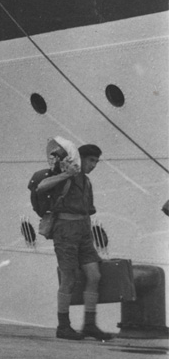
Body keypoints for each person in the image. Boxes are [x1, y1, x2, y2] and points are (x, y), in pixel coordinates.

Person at [37, 142, 113, 341]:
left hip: (83, 232)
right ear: (81, 159)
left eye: (96, 161)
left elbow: (88, 209)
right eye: (91, 160)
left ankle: (89, 325)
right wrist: (67, 174)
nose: (94, 165)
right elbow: (41, 187)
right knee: (68, 278)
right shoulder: (66, 176)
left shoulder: (86, 182)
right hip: (66, 231)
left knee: (94, 275)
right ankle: (63, 326)